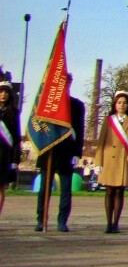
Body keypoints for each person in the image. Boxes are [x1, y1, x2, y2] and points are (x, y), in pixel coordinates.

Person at [36, 74, 85, 232]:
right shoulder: (47, 104)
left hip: (66, 153)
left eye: (67, 82)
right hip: (48, 152)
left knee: (65, 190)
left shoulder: (76, 105)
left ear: (70, 83)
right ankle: (41, 219)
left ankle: (62, 220)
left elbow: (79, 130)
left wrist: (77, 153)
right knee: (44, 189)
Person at [94, 91, 128, 233]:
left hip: (124, 161)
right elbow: (101, 143)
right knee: (109, 191)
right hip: (109, 161)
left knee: (119, 192)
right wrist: (98, 163)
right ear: (115, 104)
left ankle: (116, 223)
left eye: (125, 103)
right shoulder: (108, 121)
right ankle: (108, 223)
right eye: (119, 102)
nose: (122, 105)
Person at [0, 82, 21, 216]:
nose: (3, 94)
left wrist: (15, 159)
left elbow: (16, 137)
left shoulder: (13, 113)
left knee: (0, 188)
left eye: (6, 92)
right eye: (1, 91)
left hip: (3, 155)